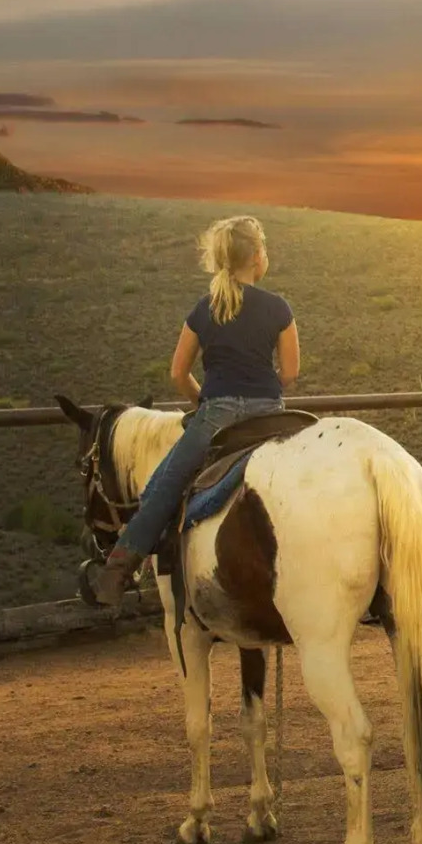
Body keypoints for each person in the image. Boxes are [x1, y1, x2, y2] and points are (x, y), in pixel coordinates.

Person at [90, 216, 300, 606]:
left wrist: (203, 402)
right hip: (271, 412)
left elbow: (178, 373)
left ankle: (117, 571)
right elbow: (289, 373)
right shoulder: (278, 308)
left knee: (163, 486)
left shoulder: (205, 310)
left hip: (217, 414)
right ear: (257, 257)